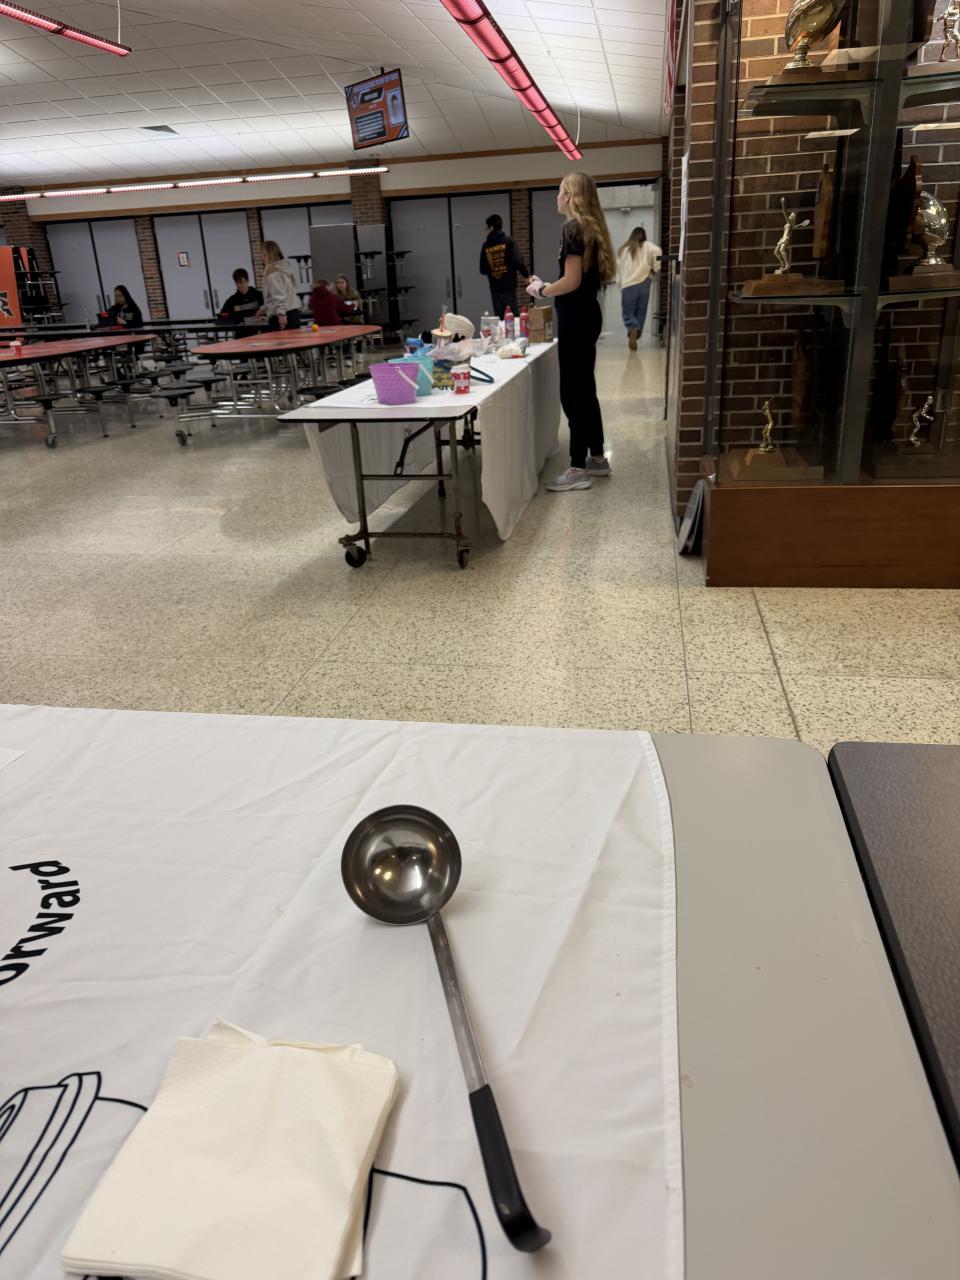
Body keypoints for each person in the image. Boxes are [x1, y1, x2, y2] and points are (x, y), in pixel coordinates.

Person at [526, 172, 615, 492]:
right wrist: (551, 286)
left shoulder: (573, 228)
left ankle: (577, 468)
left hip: (576, 319)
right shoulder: (589, 228)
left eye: (560, 191)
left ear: (570, 196)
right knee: (585, 389)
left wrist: (542, 289)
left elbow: (571, 281)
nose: (557, 196)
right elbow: (577, 279)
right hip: (586, 314)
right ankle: (597, 457)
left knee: (573, 393)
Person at [617, 226, 661, 350]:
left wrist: (619, 284)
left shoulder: (624, 249)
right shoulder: (649, 246)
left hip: (628, 284)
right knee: (641, 311)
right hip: (644, 283)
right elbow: (658, 251)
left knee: (628, 313)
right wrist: (655, 269)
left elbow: (619, 269)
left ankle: (632, 327)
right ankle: (636, 334)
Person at [479, 213, 529, 319]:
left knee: (500, 318)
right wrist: (526, 276)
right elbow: (518, 261)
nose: (486, 230)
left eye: (486, 227)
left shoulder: (486, 246)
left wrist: (494, 269)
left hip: (495, 287)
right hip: (509, 285)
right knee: (512, 316)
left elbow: (483, 269)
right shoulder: (509, 242)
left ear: (491, 227)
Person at [258, 240, 301, 331]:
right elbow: (273, 297)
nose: (260, 257)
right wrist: (263, 309)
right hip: (292, 313)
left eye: (261, 254)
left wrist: (281, 315)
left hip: (282, 316)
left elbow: (279, 296)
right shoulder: (283, 269)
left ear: (267, 254)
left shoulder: (273, 273)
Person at [218, 268, 263, 336]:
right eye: (237, 282)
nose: (239, 285)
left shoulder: (259, 295)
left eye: (241, 282)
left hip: (258, 333)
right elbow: (222, 316)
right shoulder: (232, 299)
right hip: (241, 334)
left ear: (247, 281)